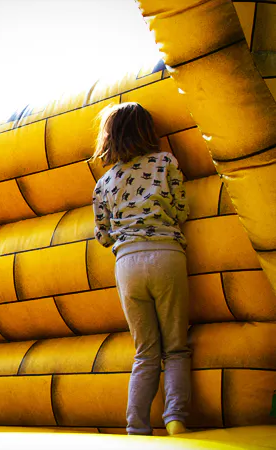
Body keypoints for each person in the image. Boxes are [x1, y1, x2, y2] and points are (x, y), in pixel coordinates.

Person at [91, 102, 191, 436]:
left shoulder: (104, 183)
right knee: (175, 347)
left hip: (127, 264)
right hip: (166, 254)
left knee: (145, 351)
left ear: (110, 138)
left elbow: (103, 236)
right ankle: (175, 418)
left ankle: (136, 428)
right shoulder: (165, 162)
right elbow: (181, 209)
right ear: (148, 131)